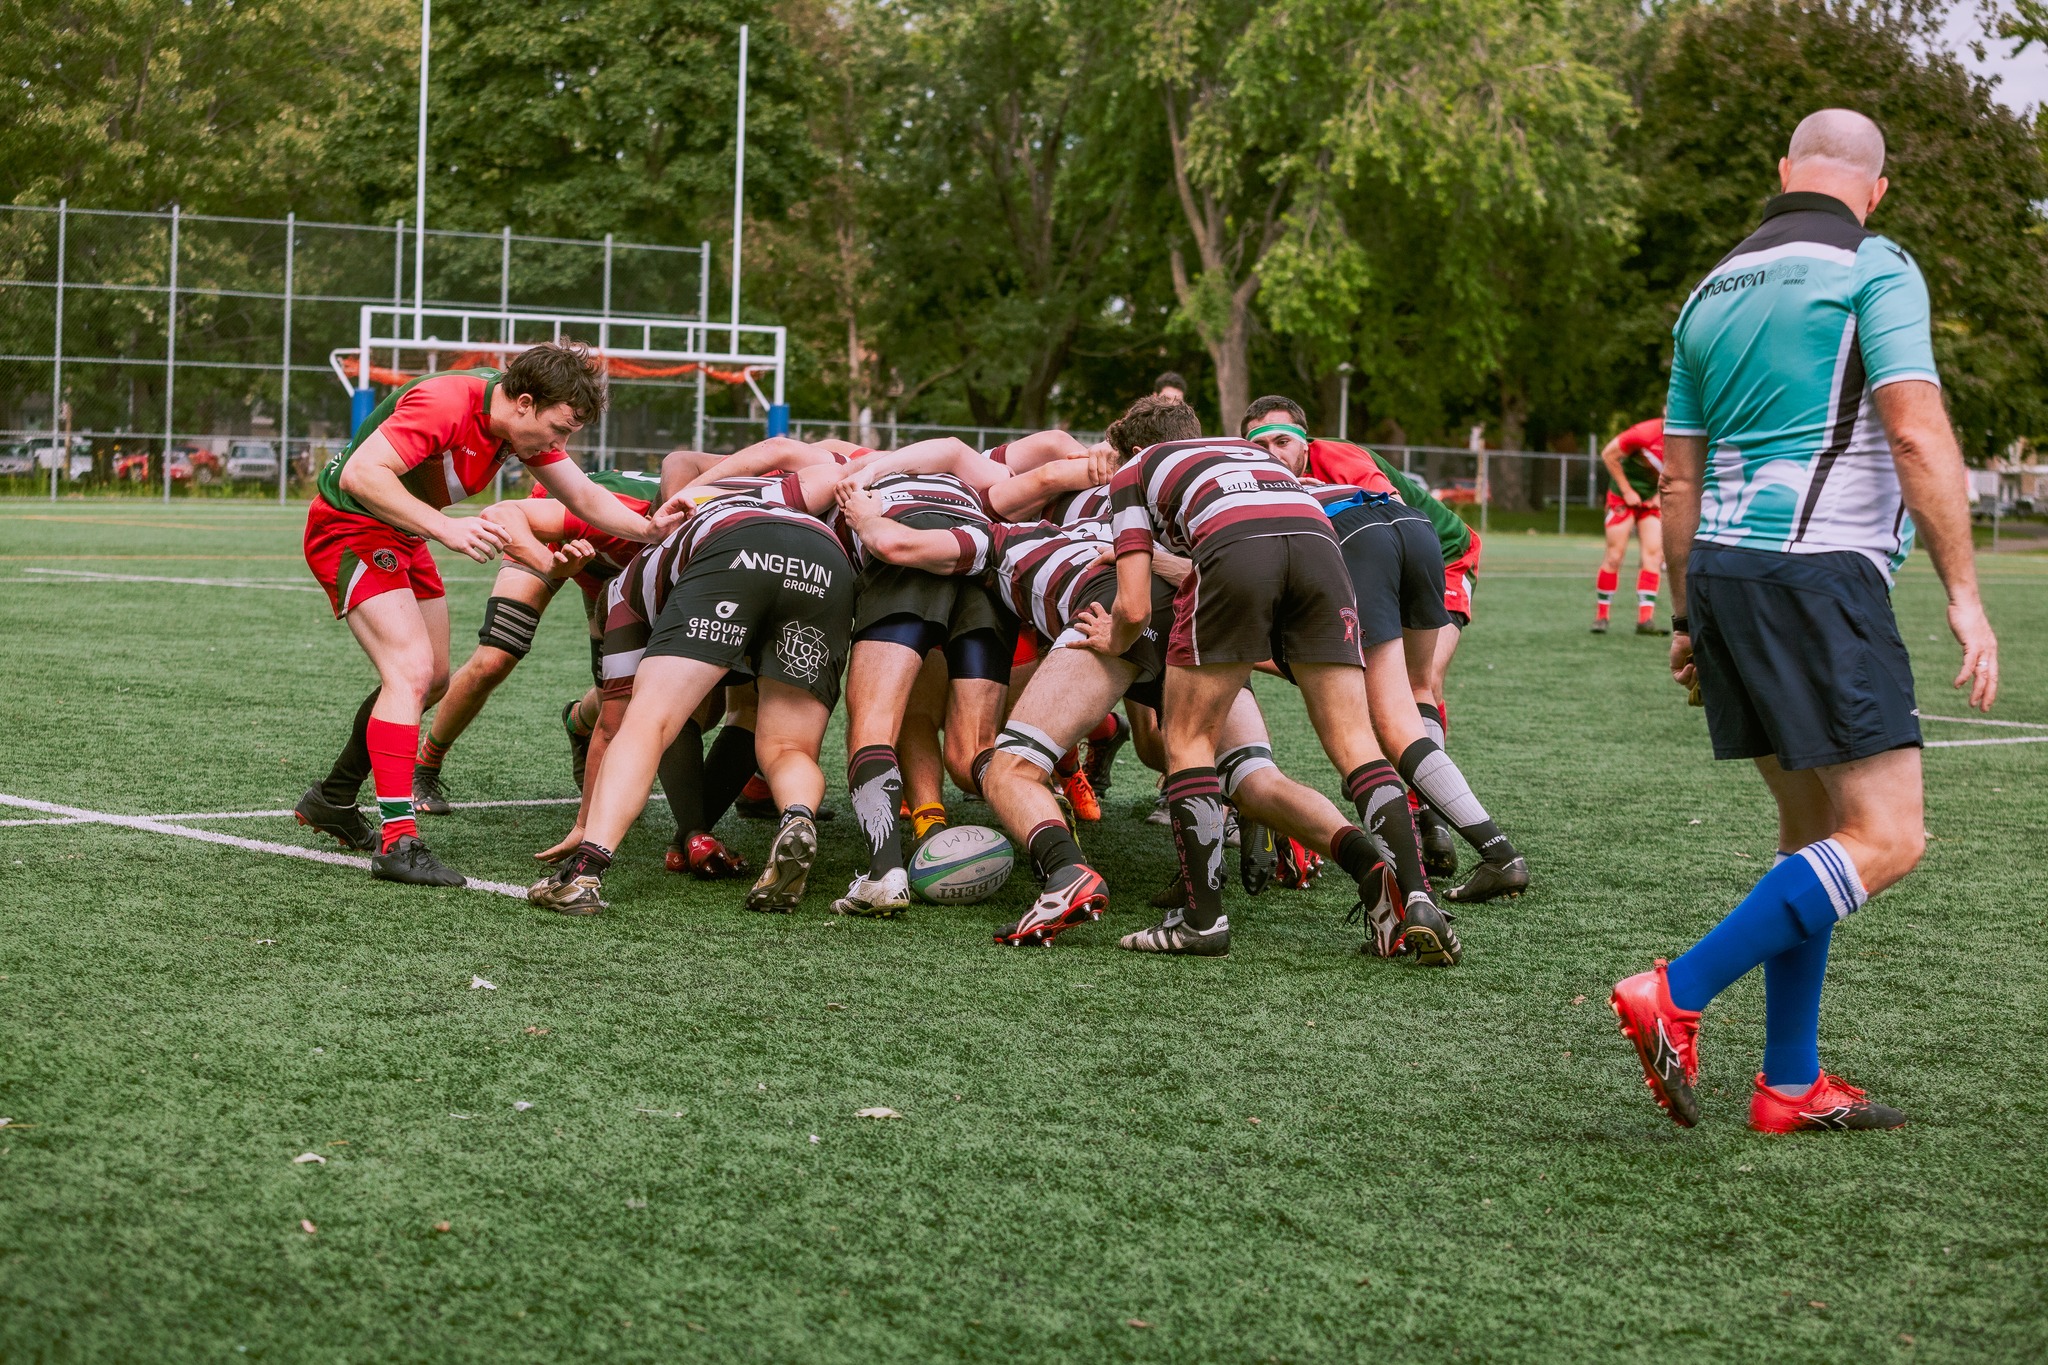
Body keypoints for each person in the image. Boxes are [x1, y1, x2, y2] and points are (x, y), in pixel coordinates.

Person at [1610, 109, 1998, 1133]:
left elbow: (1679, 480)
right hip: (1815, 577)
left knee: (1810, 841)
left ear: (1783, 170)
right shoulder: (1875, 263)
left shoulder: (1706, 291)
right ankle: (1675, 991)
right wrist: (1962, 592)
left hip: (1728, 578)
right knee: (1886, 836)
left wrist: (1689, 615)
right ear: (1874, 185)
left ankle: (1788, 1083)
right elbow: (1914, 433)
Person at [292, 343, 681, 886]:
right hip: (351, 526)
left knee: (432, 680)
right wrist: (447, 527)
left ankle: (333, 798)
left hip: (401, 531)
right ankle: (398, 841)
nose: (560, 445)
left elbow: (583, 496)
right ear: (524, 402)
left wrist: (650, 530)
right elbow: (362, 475)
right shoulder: (446, 402)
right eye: (559, 429)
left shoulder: (514, 424)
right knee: (406, 672)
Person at [1101, 395, 1456, 961]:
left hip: (1241, 550)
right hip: (1322, 549)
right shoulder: (1245, 453)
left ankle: (1202, 920)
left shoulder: (1133, 469)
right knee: (1355, 741)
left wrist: (1113, 642)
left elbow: (1136, 605)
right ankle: (1415, 897)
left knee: (1188, 737)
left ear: (1135, 449)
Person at [1241, 399, 1530, 906]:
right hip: (1404, 542)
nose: (1270, 452)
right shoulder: (1275, 482)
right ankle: (1433, 824)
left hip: (1445, 555)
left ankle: (1467, 839)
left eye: (1280, 441)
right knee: (1402, 696)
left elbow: (1380, 514)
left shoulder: (1339, 455)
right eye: (1257, 444)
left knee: (1405, 701)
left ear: (1306, 442)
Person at [527, 490, 857, 916]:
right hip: (825, 554)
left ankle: (584, 873)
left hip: (735, 547)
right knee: (787, 746)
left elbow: (613, 727)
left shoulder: (623, 598)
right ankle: (797, 818)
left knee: (648, 721)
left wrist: (584, 825)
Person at [1593, 417, 1668, 635]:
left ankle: (1645, 620)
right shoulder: (1643, 433)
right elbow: (1608, 454)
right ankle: (1602, 616)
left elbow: (1686, 474)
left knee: (1653, 556)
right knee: (1615, 555)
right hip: (1622, 497)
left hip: (1652, 500)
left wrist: (1660, 497)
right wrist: (1627, 491)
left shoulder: (1687, 439)